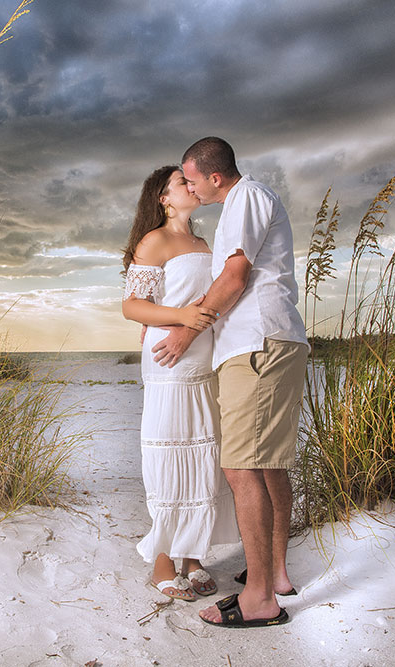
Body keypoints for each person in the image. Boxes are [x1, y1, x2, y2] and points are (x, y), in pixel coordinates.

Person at [152, 137, 309, 628]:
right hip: (270, 341)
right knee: (267, 466)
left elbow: (236, 277)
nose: (190, 188)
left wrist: (183, 332)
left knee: (242, 469)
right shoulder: (248, 202)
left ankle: (260, 599)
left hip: (256, 345)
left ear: (213, 177)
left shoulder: (244, 199)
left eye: (191, 179)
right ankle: (275, 573)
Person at [121, 165, 240, 602]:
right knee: (171, 452)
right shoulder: (154, 241)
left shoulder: (204, 244)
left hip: (202, 361)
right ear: (163, 199)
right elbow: (133, 307)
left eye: (190, 181)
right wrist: (182, 317)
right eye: (180, 183)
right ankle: (163, 563)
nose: (190, 186)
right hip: (169, 359)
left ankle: (194, 557)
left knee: (205, 453)